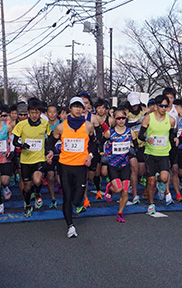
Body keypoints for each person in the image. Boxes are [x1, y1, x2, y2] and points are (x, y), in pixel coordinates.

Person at [47, 97, 95, 238]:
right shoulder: (61, 127)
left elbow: (94, 144)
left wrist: (90, 156)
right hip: (65, 166)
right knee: (67, 196)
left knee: (77, 197)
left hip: (81, 166)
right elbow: (50, 141)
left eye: (80, 106)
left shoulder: (88, 126)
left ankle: (76, 204)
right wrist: (50, 152)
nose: (78, 109)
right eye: (75, 106)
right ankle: (70, 226)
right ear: (70, 108)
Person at [12, 98, 52, 217]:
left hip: (39, 158)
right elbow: (14, 141)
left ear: (40, 113)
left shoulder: (45, 124)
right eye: (32, 112)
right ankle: (28, 204)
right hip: (25, 160)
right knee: (27, 187)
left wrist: (48, 151)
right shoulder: (21, 125)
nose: (34, 115)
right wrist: (22, 145)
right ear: (29, 112)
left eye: (37, 112)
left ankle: (38, 194)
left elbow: (49, 139)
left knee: (37, 180)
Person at [138, 95, 177, 214]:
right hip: (150, 153)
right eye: (161, 106)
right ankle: (151, 204)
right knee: (150, 181)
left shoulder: (171, 120)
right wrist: (147, 138)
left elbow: (171, 136)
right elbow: (140, 135)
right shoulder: (148, 118)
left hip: (164, 153)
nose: (164, 108)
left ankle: (159, 180)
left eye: (166, 106)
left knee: (164, 178)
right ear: (155, 106)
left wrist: (175, 139)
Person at [103, 107, 134, 222]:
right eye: (118, 118)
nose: (121, 120)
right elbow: (102, 144)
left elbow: (133, 143)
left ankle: (120, 213)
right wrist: (105, 158)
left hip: (125, 165)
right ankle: (110, 189)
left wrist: (132, 150)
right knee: (118, 189)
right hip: (113, 165)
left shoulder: (129, 132)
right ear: (114, 119)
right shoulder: (109, 132)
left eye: (123, 118)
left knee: (125, 190)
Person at [163, 87, 182, 202]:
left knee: (175, 168)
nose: (169, 100)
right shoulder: (159, 109)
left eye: (172, 98)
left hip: (173, 139)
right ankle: (167, 192)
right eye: (167, 97)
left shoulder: (176, 108)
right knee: (166, 167)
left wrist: (181, 137)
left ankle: (177, 193)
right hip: (162, 140)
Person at [0, 109, 13, 214]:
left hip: (4, 157)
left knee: (5, 180)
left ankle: (5, 187)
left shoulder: (7, 126)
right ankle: (1, 204)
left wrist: (11, 151)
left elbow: (11, 139)